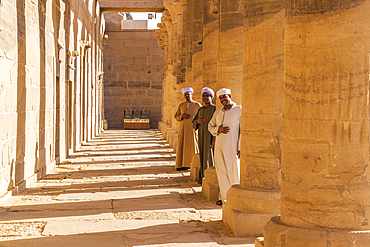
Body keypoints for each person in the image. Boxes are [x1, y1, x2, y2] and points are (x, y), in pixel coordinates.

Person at [208, 88, 241, 205]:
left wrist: (240, 147)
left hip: (233, 147)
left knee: (233, 171)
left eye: (224, 97)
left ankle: (235, 197)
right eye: (220, 98)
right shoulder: (217, 112)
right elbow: (210, 126)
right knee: (221, 171)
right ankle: (224, 197)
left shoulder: (239, 110)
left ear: (230, 96)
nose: (223, 99)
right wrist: (218, 129)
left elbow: (243, 130)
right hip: (219, 146)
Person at [174, 87, 201, 171]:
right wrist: (182, 116)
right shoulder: (181, 105)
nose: (186, 96)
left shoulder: (197, 105)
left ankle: (191, 164)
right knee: (182, 145)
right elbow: (176, 116)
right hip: (183, 129)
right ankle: (181, 164)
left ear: (191, 94)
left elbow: (201, 115)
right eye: (185, 94)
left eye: (188, 94)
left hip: (192, 129)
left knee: (192, 146)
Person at [193, 87, 216, 184]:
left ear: (211, 97)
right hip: (202, 137)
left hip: (211, 137)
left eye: (207, 95)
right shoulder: (200, 110)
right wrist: (197, 121)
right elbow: (194, 122)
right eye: (203, 96)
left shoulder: (215, 109)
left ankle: (209, 178)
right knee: (203, 156)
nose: (205, 97)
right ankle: (202, 177)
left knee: (209, 156)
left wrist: (214, 139)